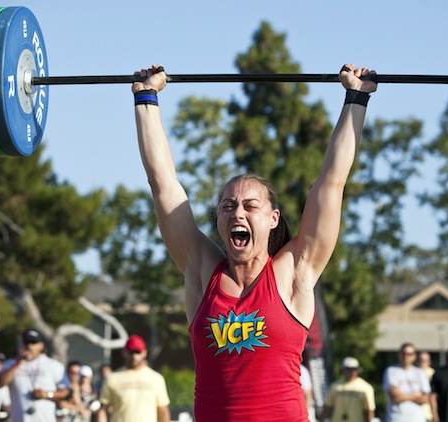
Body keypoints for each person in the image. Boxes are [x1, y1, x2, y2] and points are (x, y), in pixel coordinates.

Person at [131, 62, 376, 421]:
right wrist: (145, 98)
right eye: (227, 206)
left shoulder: (294, 273)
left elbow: (332, 182)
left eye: (250, 206)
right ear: (218, 219)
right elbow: (163, 186)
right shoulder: (201, 270)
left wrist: (356, 97)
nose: (237, 213)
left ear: (273, 218)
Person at [0, 328, 70, 422]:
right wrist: (17, 363)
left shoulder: (53, 365)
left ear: (40, 346)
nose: (29, 346)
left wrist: (47, 394)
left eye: (33, 343)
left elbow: (66, 391)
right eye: (26, 342)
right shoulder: (10, 364)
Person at [96, 335, 170, 422]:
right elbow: (103, 410)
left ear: (144, 353)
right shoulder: (113, 378)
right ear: (124, 352)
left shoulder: (156, 378)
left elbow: (163, 410)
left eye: (137, 352)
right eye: (131, 352)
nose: (134, 356)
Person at [382, 342, 431, 422]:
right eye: (403, 353)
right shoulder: (391, 371)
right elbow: (395, 397)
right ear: (399, 354)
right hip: (396, 419)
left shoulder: (420, 373)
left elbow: (425, 399)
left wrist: (403, 395)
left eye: (409, 354)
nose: (406, 356)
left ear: (414, 356)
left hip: (417, 419)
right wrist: (415, 395)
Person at [320, 357, 375, 422]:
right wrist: (321, 419)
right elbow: (328, 407)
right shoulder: (335, 386)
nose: (351, 372)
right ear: (343, 370)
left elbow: (369, 410)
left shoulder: (366, 388)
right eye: (348, 369)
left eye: (353, 369)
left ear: (358, 370)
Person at [417, 351, 434, 422]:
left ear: (429, 362)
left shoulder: (434, 375)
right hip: (415, 414)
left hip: (429, 414)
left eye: (425, 360)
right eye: (421, 360)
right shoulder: (412, 374)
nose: (423, 363)